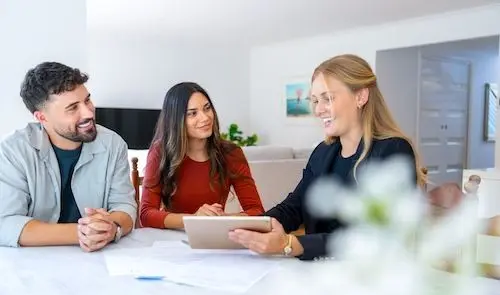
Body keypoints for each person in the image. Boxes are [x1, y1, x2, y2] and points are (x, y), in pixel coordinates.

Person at [228, 54, 426, 260]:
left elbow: (375, 235)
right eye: (314, 101)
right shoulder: (323, 152)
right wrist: (251, 228)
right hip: (320, 275)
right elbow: (295, 207)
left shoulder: (393, 150)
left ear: (360, 96)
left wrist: (292, 244)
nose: (318, 109)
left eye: (327, 98)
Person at [0, 62, 137, 251]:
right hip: (33, 263)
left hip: (97, 259)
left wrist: (111, 227)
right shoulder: (12, 151)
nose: (89, 112)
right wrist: (81, 233)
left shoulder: (113, 145)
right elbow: (5, 223)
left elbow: (124, 206)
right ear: (42, 118)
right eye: (73, 108)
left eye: (87, 100)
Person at [140, 82, 264, 229]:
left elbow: (256, 211)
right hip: (174, 238)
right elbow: (146, 215)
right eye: (192, 113)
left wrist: (223, 220)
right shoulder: (160, 152)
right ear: (176, 120)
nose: (205, 118)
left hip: (215, 236)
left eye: (207, 108)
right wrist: (193, 219)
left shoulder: (231, 153)